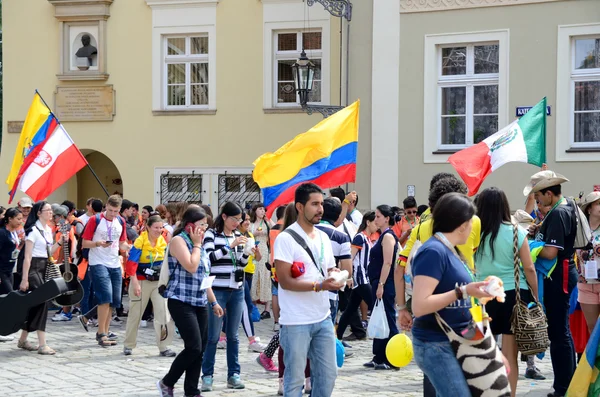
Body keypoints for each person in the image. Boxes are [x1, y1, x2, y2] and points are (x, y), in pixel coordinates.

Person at [411, 193, 500, 396]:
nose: (472, 229)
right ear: (462, 224)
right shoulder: (434, 251)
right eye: (471, 223)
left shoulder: (451, 250)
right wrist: (462, 291)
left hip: (458, 341)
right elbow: (420, 305)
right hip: (436, 343)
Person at [274, 183, 343, 397]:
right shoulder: (286, 238)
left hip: (322, 317)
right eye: (314, 204)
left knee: (328, 375)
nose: (320, 209)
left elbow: (327, 266)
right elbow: (285, 281)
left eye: (321, 204)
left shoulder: (322, 236)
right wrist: (319, 286)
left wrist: (335, 274)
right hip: (296, 321)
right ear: (300, 207)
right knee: (295, 381)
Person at [475, 187, 539, 396]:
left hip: (482, 294)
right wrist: (536, 296)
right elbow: (529, 268)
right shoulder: (515, 231)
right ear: (504, 206)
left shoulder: (475, 234)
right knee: (510, 353)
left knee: (484, 351)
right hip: (513, 294)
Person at [157, 207, 224, 397]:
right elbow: (192, 266)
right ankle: (167, 382)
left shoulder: (199, 244)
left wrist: (213, 302)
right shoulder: (179, 241)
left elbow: (203, 276)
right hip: (180, 300)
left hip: (200, 300)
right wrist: (196, 244)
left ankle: (192, 391)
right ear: (190, 225)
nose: (204, 229)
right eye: (202, 225)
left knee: (199, 349)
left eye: (206, 225)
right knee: (193, 346)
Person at [524, 170, 578, 397]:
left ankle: (563, 389)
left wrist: (531, 247)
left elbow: (549, 253)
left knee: (559, 335)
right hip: (565, 274)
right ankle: (570, 384)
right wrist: (540, 230)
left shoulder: (558, 213)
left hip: (559, 276)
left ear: (548, 193)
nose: (536, 201)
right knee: (562, 333)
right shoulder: (566, 207)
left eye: (538, 197)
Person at [201, 202, 252, 391]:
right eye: (234, 219)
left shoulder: (240, 235)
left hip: (237, 289)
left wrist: (247, 254)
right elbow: (209, 259)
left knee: (233, 336)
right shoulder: (211, 235)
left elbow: (240, 264)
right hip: (217, 290)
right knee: (213, 336)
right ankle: (207, 375)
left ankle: (233, 374)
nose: (237, 223)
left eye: (240, 220)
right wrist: (230, 246)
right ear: (224, 217)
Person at [81, 195, 130, 347]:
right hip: (98, 262)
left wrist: (130, 249)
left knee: (114, 301)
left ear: (120, 210)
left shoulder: (121, 221)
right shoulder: (95, 220)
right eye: (110, 210)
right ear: (106, 206)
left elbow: (122, 243)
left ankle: (105, 332)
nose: (112, 214)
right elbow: (84, 243)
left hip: (115, 263)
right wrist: (97, 243)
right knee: (105, 298)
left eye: (116, 211)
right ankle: (101, 333)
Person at [124, 215, 176, 357]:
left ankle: (164, 346)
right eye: (156, 228)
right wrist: (134, 283)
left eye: (161, 227)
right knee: (135, 314)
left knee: (163, 314)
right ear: (148, 227)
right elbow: (131, 264)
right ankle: (129, 344)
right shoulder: (140, 241)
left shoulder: (164, 241)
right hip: (141, 281)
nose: (159, 230)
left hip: (159, 283)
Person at [16, 201, 60, 355]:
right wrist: (24, 278)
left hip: (44, 268)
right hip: (33, 269)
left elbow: (49, 252)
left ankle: (23, 339)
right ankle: (42, 344)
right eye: (47, 210)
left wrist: (60, 242)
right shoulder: (33, 231)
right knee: (42, 303)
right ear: (39, 213)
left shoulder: (48, 230)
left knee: (36, 305)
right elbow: (27, 257)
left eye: (51, 210)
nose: (50, 213)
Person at [363, 205, 400, 370]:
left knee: (388, 318)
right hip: (378, 281)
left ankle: (393, 357)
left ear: (387, 218)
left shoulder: (388, 237)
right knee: (379, 318)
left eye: (378, 216)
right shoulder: (382, 236)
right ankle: (378, 355)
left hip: (385, 282)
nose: (375, 219)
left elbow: (387, 262)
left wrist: (381, 284)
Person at [337, 210, 377, 342]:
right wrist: (349, 277)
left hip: (363, 277)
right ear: (368, 222)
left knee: (350, 310)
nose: (376, 225)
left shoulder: (366, 238)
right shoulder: (360, 237)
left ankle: (338, 336)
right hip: (360, 279)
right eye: (374, 222)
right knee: (374, 306)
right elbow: (351, 257)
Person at [249, 202, 273, 319]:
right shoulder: (251, 224)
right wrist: (255, 233)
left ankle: (267, 309)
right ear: (255, 211)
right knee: (254, 277)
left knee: (265, 278)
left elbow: (274, 229)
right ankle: (253, 306)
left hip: (264, 251)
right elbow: (247, 234)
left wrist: (268, 219)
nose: (262, 211)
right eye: (260, 209)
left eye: (263, 209)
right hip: (254, 251)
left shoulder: (267, 223)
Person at [0, 208, 23, 295]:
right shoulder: (2, 233)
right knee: (10, 295)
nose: (20, 221)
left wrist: (22, 244)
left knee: (8, 297)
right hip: (2, 271)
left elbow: (15, 249)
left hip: (10, 270)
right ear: (10, 219)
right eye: (18, 219)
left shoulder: (15, 232)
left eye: (21, 219)